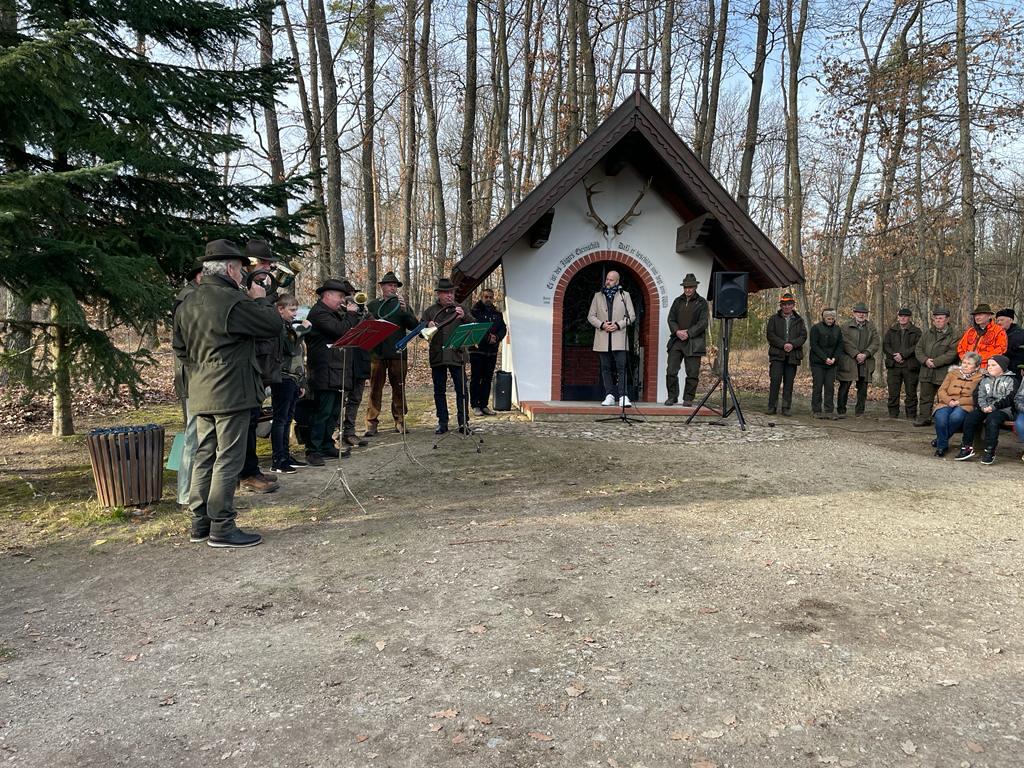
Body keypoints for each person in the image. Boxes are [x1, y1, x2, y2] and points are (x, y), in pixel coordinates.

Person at [172, 239, 283, 548]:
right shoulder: (232, 301)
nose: (242, 275)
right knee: (228, 458)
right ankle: (222, 525)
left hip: (200, 390)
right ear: (231, 269)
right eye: (240, 270)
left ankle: (200, 523)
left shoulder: (187, 302)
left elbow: (180, 348)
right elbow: (272, 326)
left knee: (205, 455)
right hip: (231, 391)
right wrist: (260, 299)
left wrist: (204, 369)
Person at [304, 278, 360, 466]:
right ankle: (313, 450)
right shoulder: (319, 313)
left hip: (337, 370)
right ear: (327, 295)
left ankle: (327, 444)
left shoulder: (334, 313)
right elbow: (340, 331)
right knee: (322, 411)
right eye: (340, 296)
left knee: (334, 411)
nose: (342, 300)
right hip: (323, 371)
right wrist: (351, 315)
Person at [364, 271, 420, 436]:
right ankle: (371, 423)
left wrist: (405, 311)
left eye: (395, 286)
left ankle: (400, 420)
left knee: (399, 388)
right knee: (375, 389)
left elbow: (414, 326)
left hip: (398, 353)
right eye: (390, 285)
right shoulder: (373, 305)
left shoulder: (402, 305)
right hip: (377, 354)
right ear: (382, 287)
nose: (393, 288)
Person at [423, 277, 475, 433]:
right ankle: (442, 422)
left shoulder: (461, 308)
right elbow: (421, 332)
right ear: (439, 294)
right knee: (439, 391)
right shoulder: (430, 311)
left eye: (451, 292)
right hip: (438, 355)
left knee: (462, 391)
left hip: (457, 355)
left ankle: (463, 423)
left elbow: (474, 325)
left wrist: (464, 317)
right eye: (446, 293)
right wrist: (427, 325)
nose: (450, 295)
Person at [269, 293, 310, 474]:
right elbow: (289, 348)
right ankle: (278, 459)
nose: (295, 314)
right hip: (282, 377)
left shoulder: (288, 326)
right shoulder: (278, 327)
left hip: (293, 378)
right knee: (280, 419)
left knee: (287, 419)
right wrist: (301, 330)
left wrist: (301, 381)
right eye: (292, 310)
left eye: (296, 310)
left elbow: (299, 357)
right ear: (280, 309)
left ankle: (285, 455)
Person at [173, 260, 202, 510]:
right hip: (192, 376)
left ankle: (190, 489)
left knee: (193, 434)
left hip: (196, 375)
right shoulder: (189, 298)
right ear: (199, 276)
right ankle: (184, 492)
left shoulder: (194, 296)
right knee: (191, 435)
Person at [953, 354, 1018, 464]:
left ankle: (990, 450)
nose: (989, 367)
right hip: (984, 408)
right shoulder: (985, 379)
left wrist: (993, 407)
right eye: (988, 365)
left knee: (992, 420)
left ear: (1002, 367)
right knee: (970, 418)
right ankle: (967, 447)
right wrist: (983, 407)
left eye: (993, 365)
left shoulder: (1011, 380)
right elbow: (978, 394)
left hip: (1004, 410)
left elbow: (1009, 397)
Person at [588, 270, 636, 407]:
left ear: (617, 282)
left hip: (619, 337)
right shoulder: (598, 296)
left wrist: (618, 325)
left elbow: (632, 316)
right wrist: (602, 325)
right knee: (605, 368)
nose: (608, 282)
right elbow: (591, 316)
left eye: (611, 280)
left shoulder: (624, 295)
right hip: (603, 337)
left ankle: (623, 396)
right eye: (607, 279)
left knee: (621, 368)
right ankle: (609, 395)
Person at [664, 273, 708, 407]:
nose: (688, 289)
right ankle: (672, 397)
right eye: (685, 287)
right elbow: (671, 319)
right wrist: (677, 331)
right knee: (671, 371)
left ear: (695, 287)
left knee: (692, 372)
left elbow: (703, 322)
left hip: (694, 342)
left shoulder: (702, 302)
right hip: (677, 340)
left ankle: (688, 398)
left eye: (690, 287)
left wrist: (689, 333)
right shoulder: (678, 301)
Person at [931, 351, 982, 457]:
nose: (965, 365)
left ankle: (940, 443)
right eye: (964, 362)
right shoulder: (952, 374)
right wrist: (949, 400)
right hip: (947, 402)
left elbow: (978, 397)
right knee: (940, 418)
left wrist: (959, 402)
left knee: (956, 417)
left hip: (965, 404)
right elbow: (941, 390)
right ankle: (942, 445)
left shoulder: (980, 378)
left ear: (977, 367)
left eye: (969, 363)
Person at [913, 308, 958, 426]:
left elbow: (952, 353)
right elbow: (918, 349)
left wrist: (936, 362)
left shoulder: (954, 335)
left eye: (940, 318)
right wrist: (925, 360)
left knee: (944, 397)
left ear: (947, 319)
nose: (938, 321)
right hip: (926, 370)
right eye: (936, 318)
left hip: (943, 372)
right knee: (925, 396)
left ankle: (943, 420)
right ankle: (924, 418)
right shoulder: (927, 333)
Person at [765, 292, 806, 416]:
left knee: (789, 383)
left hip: (793, 356)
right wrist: (783, 344)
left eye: (789, 304)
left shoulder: (799, 320)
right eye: (784, 304)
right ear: (781, 306)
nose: (786, 306)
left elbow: (803, 336)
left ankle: (786, 407)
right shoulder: (773, 319)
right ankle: (772, 407)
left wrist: (792, 344)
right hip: (777, 355)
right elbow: (770, 335)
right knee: (775, 380)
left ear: (793, 305)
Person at [837, 302, 881, 417]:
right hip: (849, 360)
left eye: (863, 313)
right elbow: (845, 342)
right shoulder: (845, 326)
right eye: (859, 312)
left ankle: (860, 412)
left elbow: (876, 342)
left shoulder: (871, 326)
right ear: (854, 313)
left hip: (865, 361)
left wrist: (865, 354)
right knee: (845, 386)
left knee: (862, 387)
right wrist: (856, 354)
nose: (861, 315)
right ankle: (841, 410)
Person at [469, 287, 508, 416]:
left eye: (491, 297)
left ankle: (484, 405)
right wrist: (487, 338)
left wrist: (497, 337)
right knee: (476, 378)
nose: (488, 299)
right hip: (477, 350)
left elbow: (503, 328)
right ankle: (475, 405)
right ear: (481, 297)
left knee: (487, 379)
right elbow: (475, 327)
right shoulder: (474, 312)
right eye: (486, 297)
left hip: (492, 351)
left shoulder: (497, 314)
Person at [882, 308, 922, 419]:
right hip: (893, 365)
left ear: (909, 317)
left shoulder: (916, 331)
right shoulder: (891, 330)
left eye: (905, 316)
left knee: (911, 392)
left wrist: (903, 355)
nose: (903, 318)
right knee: (893, 392)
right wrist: (894, 355)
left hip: (910, 366)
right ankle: (893, 414)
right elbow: (886, 345)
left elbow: (918, 346)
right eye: (901, 316)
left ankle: (911, 415)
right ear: (898, 317)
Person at [809, 308, 843, 418]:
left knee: (830, 387)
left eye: (832, 319)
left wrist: (834, 358)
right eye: (828, 318)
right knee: (818, 386)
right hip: (818, 363)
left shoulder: (837, 329)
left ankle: (829, 411)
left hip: (832, 364)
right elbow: (814, 345)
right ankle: (816, 410)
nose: (830, 321)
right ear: (824, 318)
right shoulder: (816, 328)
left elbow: (840, 346)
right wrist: (825, 358)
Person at [994, 308, 1024, 381]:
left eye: (1002, 320)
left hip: (1016, 371)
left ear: (1011, 320)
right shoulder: (995, 335)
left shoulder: (1021, 334)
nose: (999, 322)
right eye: (997, 320)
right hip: (999, 370)